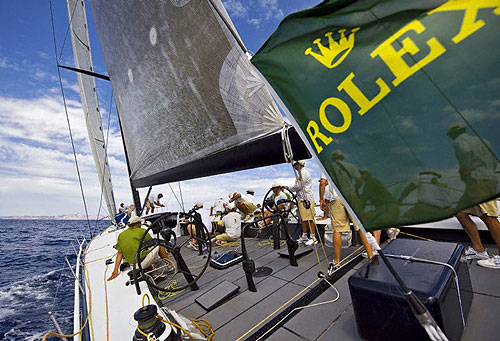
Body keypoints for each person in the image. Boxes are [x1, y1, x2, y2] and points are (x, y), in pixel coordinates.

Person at [447, 122, 500, 268]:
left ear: (452, 134)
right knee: (460, 212)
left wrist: (465, 173)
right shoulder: (483, 141)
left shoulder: (459, 142)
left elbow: (465, 162)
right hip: (486, 180)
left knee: (488, 217)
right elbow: (494, 163)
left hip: (479, 182)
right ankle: (479, 250)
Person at [107, 216, 173, 281]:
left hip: (133, 266)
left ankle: (153, 272)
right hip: (142, 262)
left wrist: (115, 271)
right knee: (159, 246)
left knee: (143, 253)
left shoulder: (121, 235)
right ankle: (170, 265)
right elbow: (153, 243)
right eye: (140, 223)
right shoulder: (141, 231)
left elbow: (119, 253)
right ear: (137, 223)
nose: (141, 224)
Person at [327, 182, 374, 264]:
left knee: (338, 230)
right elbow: (359, 179)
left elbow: (323, 182)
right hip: (351, 195)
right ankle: (371, 256)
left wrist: (321, 200)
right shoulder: (349, 168)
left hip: (336, 198)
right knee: (360, 226)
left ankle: (336, 261)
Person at [285, 160, 318, 246]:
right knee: (303, 219)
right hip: (301, 199)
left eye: (294, 165)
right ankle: (304, 236)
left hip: (307, 200)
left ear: (299, 164)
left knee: (310, 219)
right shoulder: (300, 174)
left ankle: (313, 238)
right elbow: (301, 188)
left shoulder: (303, 173)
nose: (294, 167)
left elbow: (298, 186)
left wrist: (287, 188)